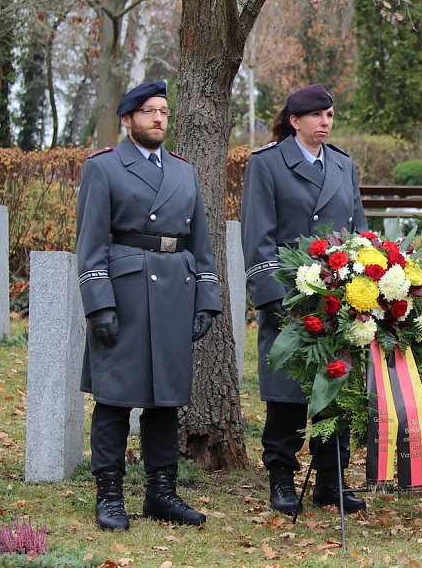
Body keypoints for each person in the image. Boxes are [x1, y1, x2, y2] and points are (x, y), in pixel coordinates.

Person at [76, 80, 221, 530]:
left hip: (175, 293)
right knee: (115, 399)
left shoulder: (183, 171)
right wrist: (99, 303)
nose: (158, 118)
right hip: (126, 296)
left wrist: (206, 299)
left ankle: (161, 493)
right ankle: (110, 495)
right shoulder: (104, 167)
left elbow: (201, 243)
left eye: (163, 111)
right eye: (148, 111)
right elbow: (91, 243)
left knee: (165, 402)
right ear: (127, 119)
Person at [241, 84, 369, 516]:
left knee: (336, 385)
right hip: (290, 296)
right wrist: (273, 298)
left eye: (329, 115)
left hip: (339, 297)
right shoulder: (267, 164)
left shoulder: (342, 164)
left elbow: (359, 233)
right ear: (294, 121)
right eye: (316, 115)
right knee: (286, 390)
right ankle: (281, 476)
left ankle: (331, 478)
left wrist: (365, 286)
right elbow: (258, 237)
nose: (325, 123)